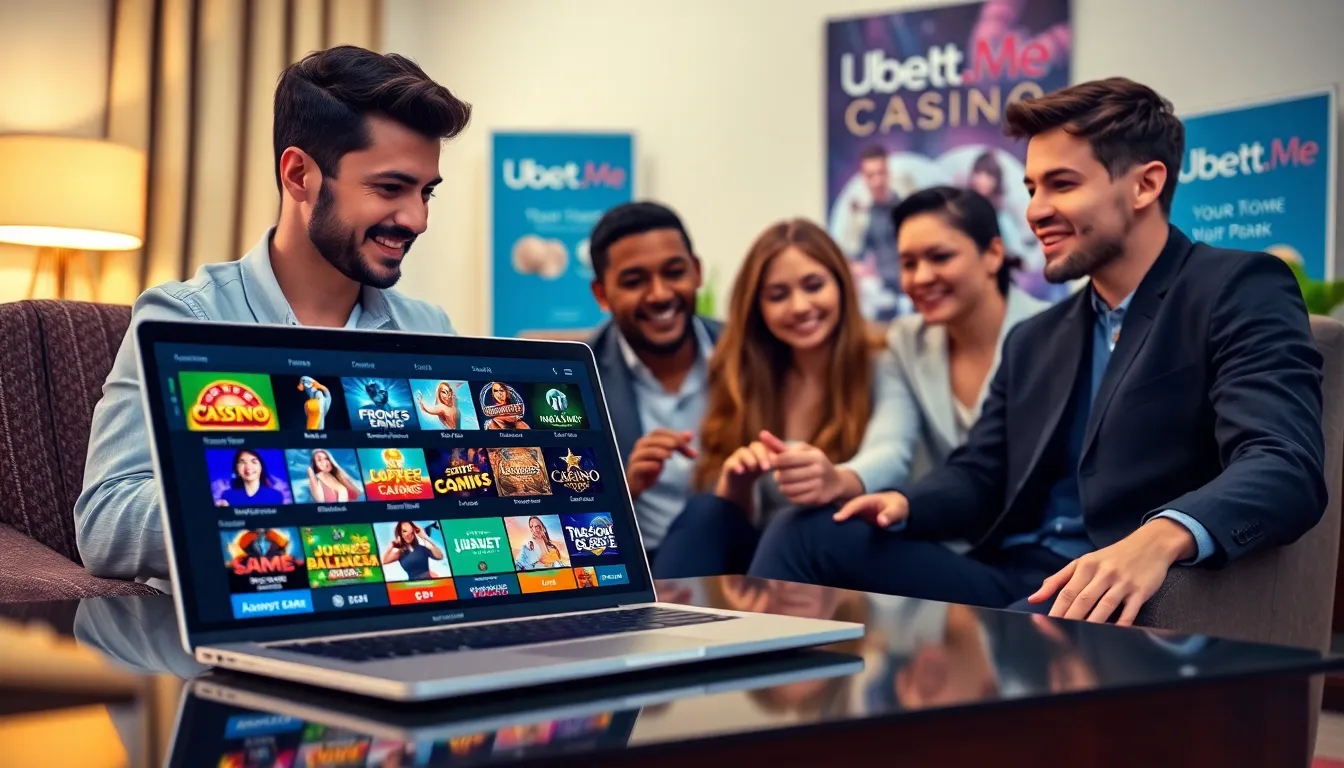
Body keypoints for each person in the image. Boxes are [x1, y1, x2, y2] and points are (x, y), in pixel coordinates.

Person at [749, 77, 1326, 625]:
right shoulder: (1037, 337)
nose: (1035, 210)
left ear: (1145, 185)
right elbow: (979, 476)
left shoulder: (1237, 287)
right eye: (1031, 188)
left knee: (1025, 628)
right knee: (803, 532)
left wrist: (1160, 536)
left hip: (1110, 589)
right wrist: (903, 501)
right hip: (1011, 577)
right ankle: (761, 715)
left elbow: (1282, 464)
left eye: (1062, 184)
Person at [75, 45, 472, 590]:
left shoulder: (430, 330)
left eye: (426, 193)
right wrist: (295, 488)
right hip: (243, 637)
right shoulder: (185, 319)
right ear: (299, 175)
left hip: (402, 629)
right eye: (390, 188)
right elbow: (106, 524)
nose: (417, 219)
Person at [651, 219, 913, 577]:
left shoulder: (881, 362)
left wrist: (835, 481)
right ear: (757, 307)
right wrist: (737, 482)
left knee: (797, 524)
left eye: (814, 285)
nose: (800, 306)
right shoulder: (743, 372)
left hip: (844, 553)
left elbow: (892, 452)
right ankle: (657, 624)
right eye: (778, 295)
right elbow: (731, 518)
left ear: (841, 285)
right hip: (759, 558)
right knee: (706, 511)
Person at [586, 202, 721, 555]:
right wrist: (625, 488)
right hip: (642, 570)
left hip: (740, 565)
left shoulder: (749, 354)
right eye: (635, 281)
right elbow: (553, 515)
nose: (660, 294)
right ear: (602, 295)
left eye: (674, 272)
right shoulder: (572, 378)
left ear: (696, 271)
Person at [857, 144, 905, 320]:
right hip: (879, 298)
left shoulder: (903, 210)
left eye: (881, 173)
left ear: (888, 173)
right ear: (864, 178)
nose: (877, 181)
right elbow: (857, 257)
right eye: (870, 175)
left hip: (907, 294)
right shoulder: (863, 216)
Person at [216, 449, 287, 507]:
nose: (248, 467)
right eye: (242, 462)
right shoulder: (227, 496)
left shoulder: (275, 496)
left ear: (261, 467)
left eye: (254, 462)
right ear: (236, 468)